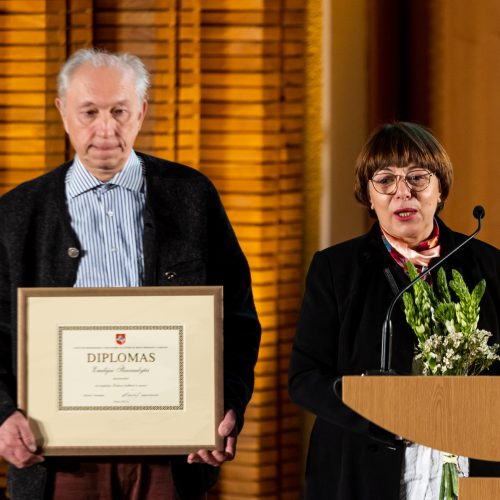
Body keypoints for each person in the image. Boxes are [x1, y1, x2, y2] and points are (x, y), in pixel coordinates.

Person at [0, 48, 261, 499]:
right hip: (58, 461)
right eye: (89, 112)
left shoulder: (192, 197)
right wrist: (2, 415)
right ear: (63, 112)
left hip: (171, 456)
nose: (105, 129)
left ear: (141, 111)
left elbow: (237, 319)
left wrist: (228, 404)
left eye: (119, 111)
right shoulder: (18, 212)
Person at [288, 122, 500, 499]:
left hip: (473, 467)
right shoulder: (336, 269)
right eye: (385, 180)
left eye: (418, 178)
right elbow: (305, 380)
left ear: (441, 189)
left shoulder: (489, 265)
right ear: (369, 195)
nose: (403, 192)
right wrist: (382, 408)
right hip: (365, 472)